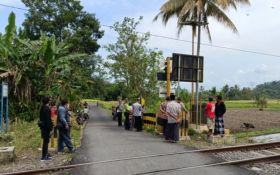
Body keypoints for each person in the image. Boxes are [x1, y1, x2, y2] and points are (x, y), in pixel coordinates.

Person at [38, 97, 53, 161]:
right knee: (46, 142)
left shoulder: (42, 108)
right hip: (46, 128)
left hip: (43, 127)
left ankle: (45, 154)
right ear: (48, 101)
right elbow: (48, 120)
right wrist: (50, 128)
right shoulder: (47, 109)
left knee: (45, 141)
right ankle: (44, 156)